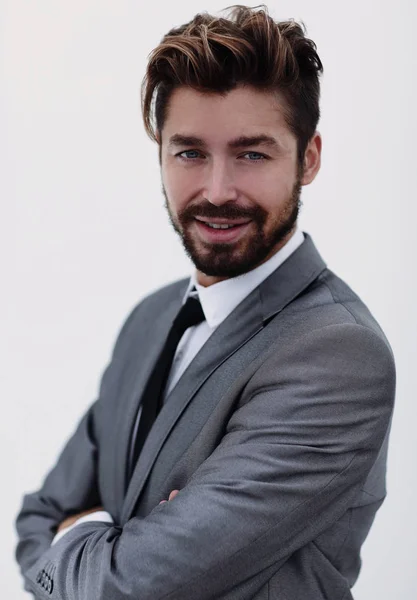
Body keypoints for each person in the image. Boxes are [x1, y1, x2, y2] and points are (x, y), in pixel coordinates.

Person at [15, 5, 396, 599]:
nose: (218, 191)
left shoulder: (337, 354)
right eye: (190, 153)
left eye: (252, 154)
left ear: (309, 158)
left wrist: (89, 535)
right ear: (162, 155)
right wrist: (108, 547)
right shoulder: (150, 320)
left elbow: (130, 588)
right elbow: (36, 519)